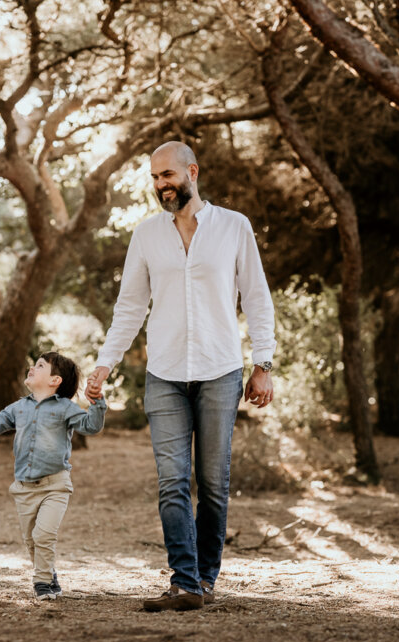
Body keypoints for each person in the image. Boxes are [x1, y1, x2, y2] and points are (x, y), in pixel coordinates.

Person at [85, 141, 275, 612]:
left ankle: (205, 578)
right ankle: (184, 582)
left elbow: (256, 296)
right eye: (154, 178)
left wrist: (263, 364)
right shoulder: (147, 235)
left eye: (167, 175)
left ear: (192, 171)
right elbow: (130, 307)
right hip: (165, 374)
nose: (161, 185)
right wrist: (105, 363)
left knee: (212, 483)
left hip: (220, 370)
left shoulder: (233, 226)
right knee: (172, 482)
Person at [0, 352, 107, 601]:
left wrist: (98, 403)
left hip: (55, 486)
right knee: (31, 541)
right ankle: (49, 574)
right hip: (24, 488)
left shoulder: (65, 408)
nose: (32, 367)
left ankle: (41, 582)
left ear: (55, 381)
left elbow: (90, 426)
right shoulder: (19, 407)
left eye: (40, 365)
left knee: (44, 535)